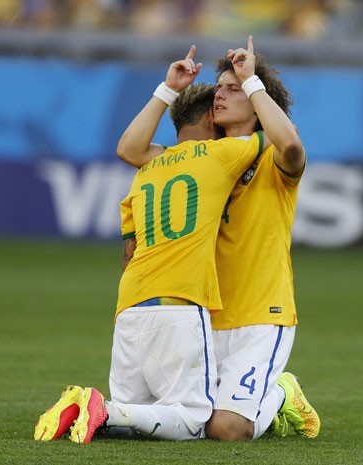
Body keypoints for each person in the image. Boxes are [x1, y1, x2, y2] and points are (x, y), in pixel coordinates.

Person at [34, 46, 267, 443]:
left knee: (138, 425)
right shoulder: (222, 153)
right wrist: (250, 83)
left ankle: (97, 411)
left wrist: (168, 89)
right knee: (194, 419)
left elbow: (126, 152)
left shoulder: (145, 173)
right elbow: (277, 138)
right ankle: (103, 407)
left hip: (129, 306)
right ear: (213, 116)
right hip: (179, 302)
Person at [118, 36, 321, 441]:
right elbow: (132, 149)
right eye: (221, 87)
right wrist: (168, 90)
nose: (220, 96)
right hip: (204, 314)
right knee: (188, 421)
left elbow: (293, 145)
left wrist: (252, 81)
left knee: (227, 429)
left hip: (261, 312)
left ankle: (282, 394)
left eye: (233, 89)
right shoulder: (203, 158)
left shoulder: (270, 156)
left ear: (255, 98)